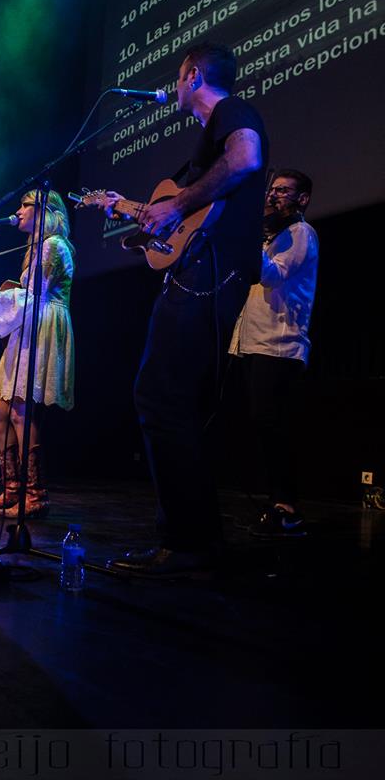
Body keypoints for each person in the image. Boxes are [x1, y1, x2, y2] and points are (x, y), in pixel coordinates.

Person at [107, 42, 268, 575]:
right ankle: (198, 541)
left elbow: (246, 158)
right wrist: (143, 226)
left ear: (193, 76)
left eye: (178, 78)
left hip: (208, 276)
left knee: (158, 395)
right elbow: (182, 224)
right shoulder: (205, 145)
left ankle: (186, 543)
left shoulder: (231, 111)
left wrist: (175, 204)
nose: (174, 88)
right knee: (175, 403)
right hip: (201, 271)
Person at [0, 190, 75, 518]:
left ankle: (34, 495)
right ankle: (13, 490)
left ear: (45, 211)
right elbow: (24, 295)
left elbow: (35, 297)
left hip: (42, 325)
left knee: (20, 411)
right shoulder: (36, 247)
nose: (19, 210)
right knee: (0, 410)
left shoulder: (53, 245)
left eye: (26, 205)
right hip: (29, 325)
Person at [229, 168, 318, 537]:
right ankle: (275, 501)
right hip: (252, 342)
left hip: (279, 346)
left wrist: (250, 235)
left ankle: (287, 506)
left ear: (302, 199)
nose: (273, 195)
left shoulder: (301, 234)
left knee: (271, 423)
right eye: (272, 189)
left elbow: (272, 276)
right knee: (260, 423)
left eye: (283, 190)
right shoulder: (271, 237)